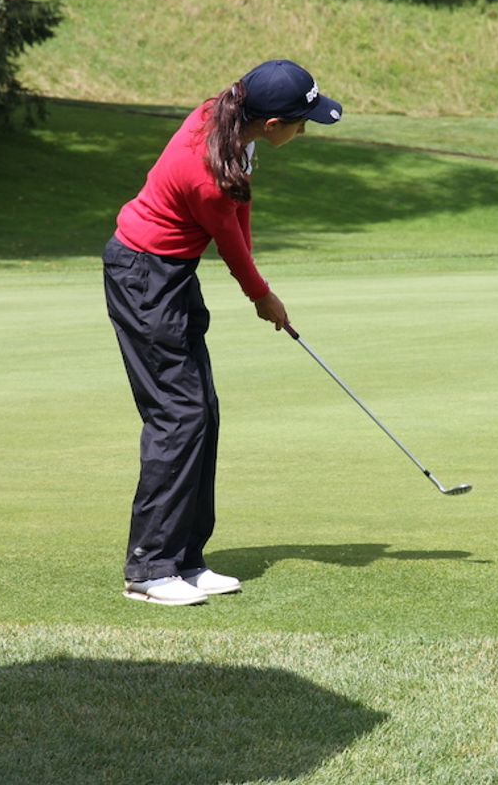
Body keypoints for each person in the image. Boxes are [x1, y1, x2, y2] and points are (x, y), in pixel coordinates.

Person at [103, 60, 343, 606]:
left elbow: (242, 205)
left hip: (169, 275)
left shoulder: (228, 118)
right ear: (274, 124)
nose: (304, 132)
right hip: (144, 277)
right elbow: (230, 242)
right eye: (301, 124)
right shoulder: (205, 174)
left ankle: (186, 559)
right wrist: (262, 295)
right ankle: (149, 568)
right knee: (178, 416)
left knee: (202, 412)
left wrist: (259, 280)